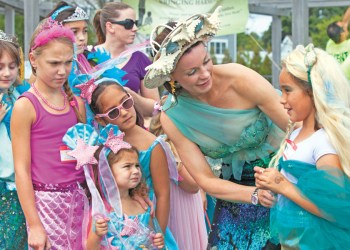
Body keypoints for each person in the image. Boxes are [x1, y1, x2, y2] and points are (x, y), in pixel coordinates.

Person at [144, 7, 288, 249]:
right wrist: (253, 195)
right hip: (233, 190)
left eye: (206, 62)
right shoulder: (172, 116)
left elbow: (295, 130)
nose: (204, 74)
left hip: (283, 174)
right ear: (172, 78)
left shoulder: (240, 78)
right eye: (191, 72)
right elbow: (205, 180)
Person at [254, 44, 350, 249]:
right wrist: (272, 184)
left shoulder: (324, 141)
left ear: (312, 91)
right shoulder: (296, 133)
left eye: (287, 90)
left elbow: (336, 209)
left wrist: (283, 185)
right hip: (292, 242)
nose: (281, 100)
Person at [11, 18, 87, 249]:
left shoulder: (76, 104)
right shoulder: (26, 106)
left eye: (68, 62)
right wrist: (34, 224)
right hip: (45, 204)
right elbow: (21, 169)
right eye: (54, 63)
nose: (62, 70)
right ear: (33, 60)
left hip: (81, 201)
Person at [86, 78, 178, 248]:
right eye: (113, 112)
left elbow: (163, 193)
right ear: (100, 120)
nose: (125, 112)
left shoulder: (153, 145)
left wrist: (159, 232)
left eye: (126, 103)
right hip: (111, 227)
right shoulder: (101, 145)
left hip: (142, 225)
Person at [84, 125, 164, 249]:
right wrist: (96, 234)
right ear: (107, 172)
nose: (136, 171)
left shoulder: (142, 205)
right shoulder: (102, 209)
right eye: (127, 166)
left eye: (137, 165)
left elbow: (151, 238)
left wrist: (157, 242)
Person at [149, 97, 208, 250]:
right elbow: (192, 185)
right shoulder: (167, 146)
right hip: (178, 206)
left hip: (187, 202)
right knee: (182, 241)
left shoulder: (174, 142)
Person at [90, 2, 159, 117]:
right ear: (110, 26)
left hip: (132, 131)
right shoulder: (88, 58)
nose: (135, 28)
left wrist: (132, 96)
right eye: (129, 23)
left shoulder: (141, 59)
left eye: (135, 23)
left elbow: (156, 109)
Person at [0, 30, 29, 249]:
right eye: (0, 67)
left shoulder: (21, 94)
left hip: (19, 187)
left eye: (12, 66)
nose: (7, 73)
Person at [46, 1, 91, 95]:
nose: (82, 38)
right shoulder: (45, 68)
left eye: (85, 31)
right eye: (74, 32)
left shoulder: (89, 62)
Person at [326, 7, 350, 79]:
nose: (345, 24)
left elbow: (345, 22)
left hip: (335, 81)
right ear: (342, 34)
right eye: (343, 26)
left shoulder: (330, 44)